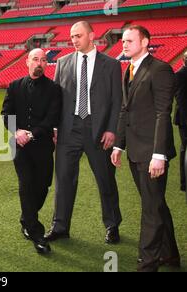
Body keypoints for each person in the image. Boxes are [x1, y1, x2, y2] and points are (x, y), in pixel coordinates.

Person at [45, 21, 123, 244]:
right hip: (68, 130)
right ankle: (60, 226)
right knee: (63, 179)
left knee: (105, 179)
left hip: (98, 131)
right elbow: (55, 100)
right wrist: (55, 127)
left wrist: (111, 130)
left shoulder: (110, 65)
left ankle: (112, 224)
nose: (74, 40)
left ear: (91, 35)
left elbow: (117, 101)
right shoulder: (62, 62)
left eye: (78, 35)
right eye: (71, 37)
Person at [111, 25, 180, 272]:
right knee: (156, 204)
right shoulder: (128, 70)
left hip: (152, 153)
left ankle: (147, 264)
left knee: (150, 210)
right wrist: (119, 144)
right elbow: (124, 109)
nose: (124, 45)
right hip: (135, 151)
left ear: (145, 42)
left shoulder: (160, 69)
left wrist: (159, 155)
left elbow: (163, 112)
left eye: (129, 41)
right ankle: (170, 255)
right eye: (122, 42)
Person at [1, 49, 62, 254]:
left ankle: (27, 219)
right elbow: (6, 114)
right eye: (36, 59)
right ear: (27, 62)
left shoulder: (54, 89)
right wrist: (17, 131)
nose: (40, 63)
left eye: (44, 60)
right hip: (19, 146)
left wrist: (31, 134)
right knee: (26, 184)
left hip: (43, 145)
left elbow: (51, 118)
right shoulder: (14, 86)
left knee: (43, 185)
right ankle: (37, 233)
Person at [174, 51, 187, 191]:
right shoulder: (180, 74)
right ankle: (184, 183)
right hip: (184, 119)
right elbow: (180, 99)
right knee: (185, 149)